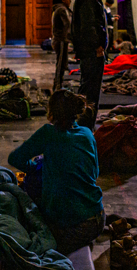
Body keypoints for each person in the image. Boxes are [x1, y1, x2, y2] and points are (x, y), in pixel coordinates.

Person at [8, 90, 104, 254]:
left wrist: (37, 166)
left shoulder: (48, 134)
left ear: (51, 113)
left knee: (22, 233)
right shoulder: (87, 134)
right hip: (97, 219)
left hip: (74, 229)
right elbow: (94, 173)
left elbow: (15, 159)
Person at [72, 0, 110, 126]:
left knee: (89, 88)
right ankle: (84, 126)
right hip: (92, 52)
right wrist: (97, 46)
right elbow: (89, 25)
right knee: (90, 90)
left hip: (91, 51)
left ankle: (84, 125)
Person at [51, 0, 72, 92]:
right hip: (61, 40)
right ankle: (57, 86)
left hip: (61, 40)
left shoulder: (60, 9)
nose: (70, 1)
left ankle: (59, 84)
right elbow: (67, 25)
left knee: (63, 63)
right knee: (60, 64)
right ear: (63, 0)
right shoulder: (62, 10)